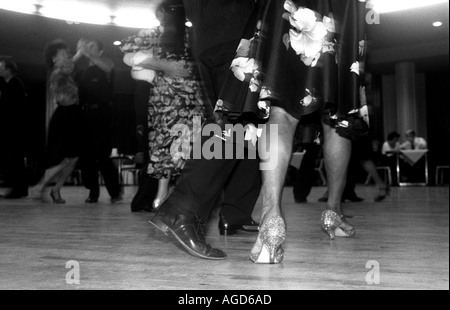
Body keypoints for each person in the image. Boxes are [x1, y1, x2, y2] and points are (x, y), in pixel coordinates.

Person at [148, 0, 261, 260]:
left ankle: (225, 212)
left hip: (207, 33)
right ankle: (183, 209)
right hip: (237, 31)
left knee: (236, 123)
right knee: (236, 121)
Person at [120, 3, 207, 210]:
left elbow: (125, 49)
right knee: (185, 145)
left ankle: (162, 197)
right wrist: (166, 65)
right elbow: (126, 53)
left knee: (167, 144)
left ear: (161, 14)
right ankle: (173, 197)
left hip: (169, 96)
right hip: (186, 96)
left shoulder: (159, 34)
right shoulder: (189, 34)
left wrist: (162, 64)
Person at [28, 40, 83, 203]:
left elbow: (70, 69)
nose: (67, 56)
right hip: (64, 116)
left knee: (74, 158)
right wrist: (80, 53)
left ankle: (56, 189)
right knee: (64, 158)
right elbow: (66, 69)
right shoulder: (56, 73)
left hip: (73, 114)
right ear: (54, 58)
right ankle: (39, 186)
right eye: (63, 54)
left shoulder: (67, 73)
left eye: (68, 53)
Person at [74, 38, 123, 204]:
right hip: (84, 115)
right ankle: (93, 192)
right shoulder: (83, 68)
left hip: (102, 114)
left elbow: (108, 67)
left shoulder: (105, 63)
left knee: (103, 155)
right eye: (87, 46)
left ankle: (115, 192)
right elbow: (65, 71)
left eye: (92, 46)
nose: (88, 48)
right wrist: (78, 53)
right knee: (87, 156)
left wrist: (88, 54)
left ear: (100, 51)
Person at [0, 59, 28, 199]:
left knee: (16, 158)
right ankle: (18, 188)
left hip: (15, 129)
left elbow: (13, 110)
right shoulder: (7, 85)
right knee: (13, 158)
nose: (0, 69)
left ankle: (19, 190)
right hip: (11, 128)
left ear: (8, 69)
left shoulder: (15, 84)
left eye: (1, 67)